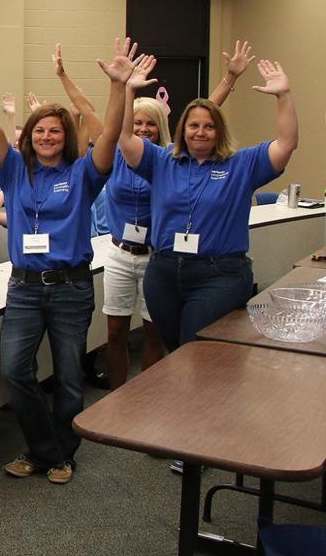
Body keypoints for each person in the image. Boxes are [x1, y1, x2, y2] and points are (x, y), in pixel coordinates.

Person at [0, 34, 131, 486]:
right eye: (40, 130)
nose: (48, 136)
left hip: (71, 287)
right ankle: (46, 450)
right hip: (25, 287)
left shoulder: (83, 173)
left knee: (70, 376)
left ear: (65, 136)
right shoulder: (13, 170)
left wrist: (119, 88)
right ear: (30, 137)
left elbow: (110, 134)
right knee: (16, 371)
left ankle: (59, 455)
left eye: (55, 130)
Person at [118, 54, 297, 353]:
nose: (200, 132)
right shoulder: (162, 161)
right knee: (175, 352)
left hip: (219, 274)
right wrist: (128, 91)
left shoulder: (241, 165)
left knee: (194, 351)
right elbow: (124, 137)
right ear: (182, 130)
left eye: (208, 126)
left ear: (219, 131)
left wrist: (283, 95)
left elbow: (286, 144)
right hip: (163, 272)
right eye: (193, 126)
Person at [102, 42, 255, 388]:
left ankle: (154, 395)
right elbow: (116, 128)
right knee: (117, 332)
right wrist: (123, 87)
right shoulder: (122, 155)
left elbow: (204, 115)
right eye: (137, 122)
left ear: (162, 126)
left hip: (160, 257)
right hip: (122, 252)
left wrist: (229, 79)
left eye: (149, 124)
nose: (142, 129)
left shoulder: (169, 159)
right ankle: (118, 400)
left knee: (160, 336)